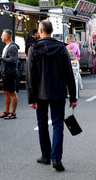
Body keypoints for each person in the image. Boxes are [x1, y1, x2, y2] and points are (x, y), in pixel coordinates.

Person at [27, 20, 77, 172]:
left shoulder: (34, 48)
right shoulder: (62, 48)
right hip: (58, 92)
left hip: (40, 93)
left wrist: (31, 97)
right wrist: (73, 97)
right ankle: (57, 158)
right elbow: (69, 73)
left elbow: (31, 75)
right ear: (52, 30)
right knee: (58, 125)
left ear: (40, 31)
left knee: (42, 123)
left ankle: (45, 155)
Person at [0, 29, 19, 120]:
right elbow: (6, 58)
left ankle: (13, 113)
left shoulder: (12, 47)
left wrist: (0, 59)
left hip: (10, 73)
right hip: (5, 72)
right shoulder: (7, 46)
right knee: (5, 92)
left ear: (7, 37)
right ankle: (6, 111)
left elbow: (13, 60)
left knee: (12, 93)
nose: (1, 36)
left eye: (2, 35)